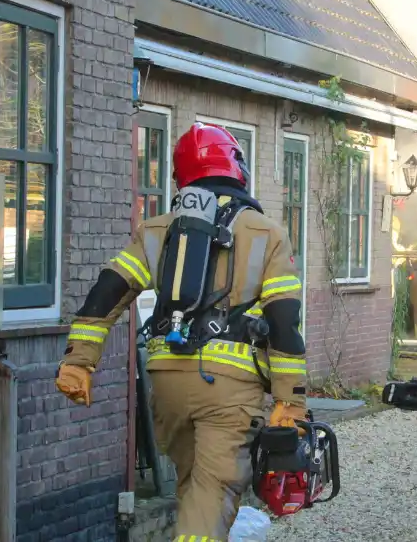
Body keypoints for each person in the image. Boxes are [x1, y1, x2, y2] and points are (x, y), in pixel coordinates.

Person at [54, 122, 308, 541]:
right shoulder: (266, 234)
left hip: (166, 382)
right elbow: (283, 322)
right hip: (229, 390)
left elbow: (106, 293)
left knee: (194, 487)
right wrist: (290, 401)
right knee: (212, 492)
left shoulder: (155, 231)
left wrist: (79, 360)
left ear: (180, 176)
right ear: (236, 166)